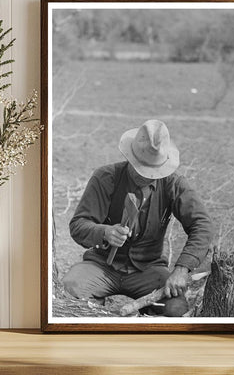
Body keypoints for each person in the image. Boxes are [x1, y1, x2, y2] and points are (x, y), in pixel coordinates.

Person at [62, 119, 214, 316]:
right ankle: (95, 317)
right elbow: (78, 225)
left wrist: (182, 269)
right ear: (130, 157)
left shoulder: (173, 184)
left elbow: (202, 225)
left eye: (153, 171)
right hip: (100, 266)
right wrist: (105, 232)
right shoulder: (105, 177)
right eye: (141, 168)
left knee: (175, 308)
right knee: (70, 290)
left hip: (148, 270)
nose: (146, 175)